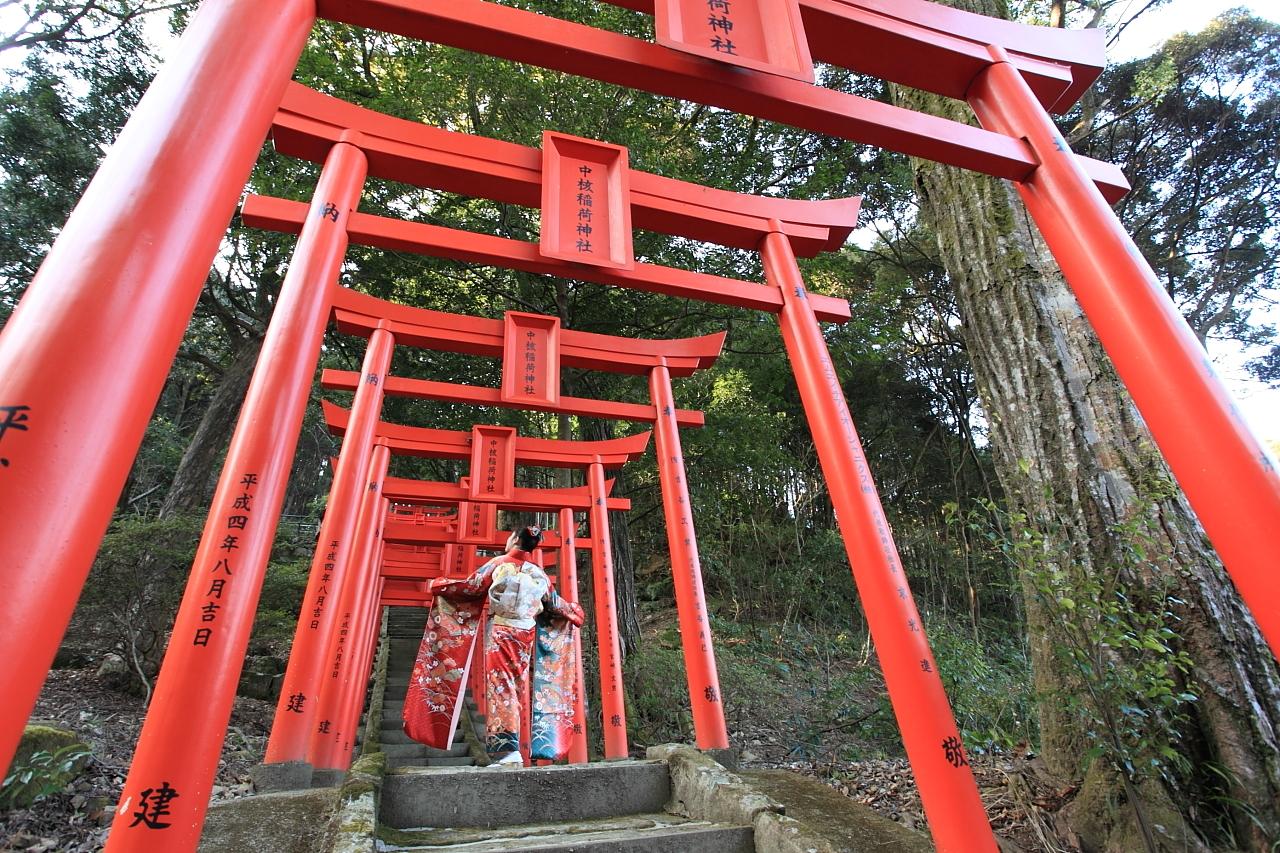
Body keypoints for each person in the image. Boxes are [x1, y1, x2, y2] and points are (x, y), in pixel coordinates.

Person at [427, 526, 583, 766]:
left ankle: (510, 753)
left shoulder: (499, 563)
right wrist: (574, 612)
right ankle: (515, 750)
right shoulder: (538, 573)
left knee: (501, 687)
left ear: (515, 540)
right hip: (525, 634)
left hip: (502, 631)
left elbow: (472, 586)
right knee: (516, 686)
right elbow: (555, 604)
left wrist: (440, 585)